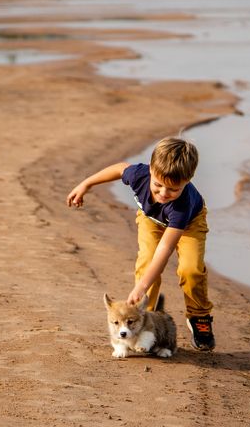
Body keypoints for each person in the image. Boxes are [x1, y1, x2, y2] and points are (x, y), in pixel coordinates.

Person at [66, 137, 215, 350]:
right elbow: (119, 169)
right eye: (158, 185)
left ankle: (199, 316)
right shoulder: (139, 175)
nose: (164, 193)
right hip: (151, 220)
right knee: (146, 262)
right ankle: (146, 319)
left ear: (188, 180)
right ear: (151, 171)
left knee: (190, 269)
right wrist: (86, 183)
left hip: (189, 224)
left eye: (173, 189)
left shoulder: (182, 205)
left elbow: (165, 249)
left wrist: (141, 286)